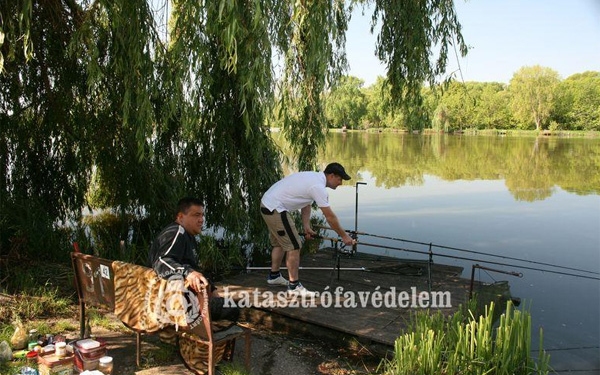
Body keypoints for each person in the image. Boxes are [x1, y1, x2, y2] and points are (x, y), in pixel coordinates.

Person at [260, 162, 356, 297]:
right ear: (331, 175)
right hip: (276, 208)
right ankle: (294, 286)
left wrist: (306, 226)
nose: (340, 183)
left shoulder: (314, 178)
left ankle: (274, 276)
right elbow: (330, 217)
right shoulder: (318, 187)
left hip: (268, 204)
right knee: (294, 246)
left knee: (280, 243)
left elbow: (306, 203)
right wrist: (344, 236)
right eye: (339, 179)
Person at [148, 197, 239, 325]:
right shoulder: (176, 233)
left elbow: (192, 267)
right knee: (234, 308)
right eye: (196, 215)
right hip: (175, 303)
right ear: (180, 217)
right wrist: (188, 273)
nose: (201, 220)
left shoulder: (187, 235)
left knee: (225, 303)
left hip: (183, 299)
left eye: (202, 215)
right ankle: (207, 339)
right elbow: (162, 261)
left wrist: (212, 288)